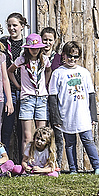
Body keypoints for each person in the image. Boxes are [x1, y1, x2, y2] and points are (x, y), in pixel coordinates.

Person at [48, 41, 99, 174]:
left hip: (83, 114)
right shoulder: (57, 73)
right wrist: (56, 117)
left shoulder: (84, 73)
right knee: (70, 143)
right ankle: (73, 169)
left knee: (88, 140)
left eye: (75, 57)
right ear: (64, 56)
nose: (72, 59)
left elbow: (91, 94)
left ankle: (97, 167)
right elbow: (53, 96)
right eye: (69, 56)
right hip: (66, 114)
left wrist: (93, 115)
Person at [7, 33, 51, 157]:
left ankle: (41, 161)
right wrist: (17, 85)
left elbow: (48, 70)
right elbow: (10, 71)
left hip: (41, 98)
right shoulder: (21, 60)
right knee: (27, 135)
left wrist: (45, 84)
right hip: (27, 99)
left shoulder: (45, 59)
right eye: (32, 48)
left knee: (42, 134)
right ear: (27, 48)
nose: (35, 50)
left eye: (37, 48)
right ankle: (26, 162)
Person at [0, 12, 28, 161]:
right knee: (7, 128)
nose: (11, 28)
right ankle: (4, 162)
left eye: (15, 25)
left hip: (25, 91)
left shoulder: (28, 45)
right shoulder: (3, 44)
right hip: (8, 90)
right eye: (9, 25)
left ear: (22, 26)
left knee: (23, 130)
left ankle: (21, 161)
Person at [40, 26, 64, 166]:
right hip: (40, 97)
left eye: (50, 40)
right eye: (45, 39)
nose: (47, 42)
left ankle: (57, 163)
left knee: (57, 132)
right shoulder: (36, 56)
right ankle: (42, 162)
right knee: (42, 132)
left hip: (55, 99)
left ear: (54, 41)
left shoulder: (59, 58)